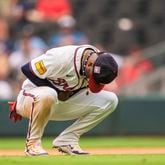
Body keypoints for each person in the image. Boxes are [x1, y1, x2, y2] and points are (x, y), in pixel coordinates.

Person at [8, 44, 118, 156]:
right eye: (93, 78)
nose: (91, 80)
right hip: (31, 98)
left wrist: (64, 93)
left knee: (111, 100)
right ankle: (33, 145)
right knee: (49, 94)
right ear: (89, 64)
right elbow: (27, 69)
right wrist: (58, 91)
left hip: (59, 103)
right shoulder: (62, 58)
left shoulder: (99, 62)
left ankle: (67, 140)